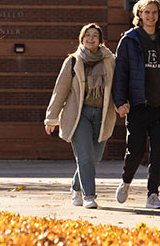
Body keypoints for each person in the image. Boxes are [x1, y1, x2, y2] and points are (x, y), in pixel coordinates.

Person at [113, 0, 160, 210]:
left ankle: (152, 194)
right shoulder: (129, 40)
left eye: (155, 12)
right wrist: (120, 101)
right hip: (138, 105)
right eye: (146, 12)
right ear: (139, 15)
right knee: (135, 149)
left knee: (158, 151)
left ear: (159, 16)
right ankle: (126, 181)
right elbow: (120, 73)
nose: (151, 16)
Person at [44, 23, 117, 209]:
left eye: (95, 35)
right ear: (81, 39)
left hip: (102, 114)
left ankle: (76, 187)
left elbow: (119, 86)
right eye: (87, 35)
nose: (91, 38)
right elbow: (60, 90)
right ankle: (89, 196)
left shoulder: (111, 61)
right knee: (84, 157)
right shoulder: (73, 62)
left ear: (101, 40)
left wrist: (124, 104)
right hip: (79, 114)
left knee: (94, 158)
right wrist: (52, 118)